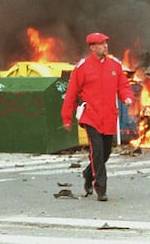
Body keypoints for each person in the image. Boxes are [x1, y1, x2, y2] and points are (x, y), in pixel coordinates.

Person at [61, 32, 135, 201]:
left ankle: (88, 173)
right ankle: (100, 188)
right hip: (91, 116)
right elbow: (71, 93)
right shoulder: (82, 68)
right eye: (101, 44)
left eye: (106, 43)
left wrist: (127, 97)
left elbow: (123, 86)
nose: (105, 46)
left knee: (106, 151)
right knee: (97, 150)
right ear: (92, 47)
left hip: (109, 116)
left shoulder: (115, 66)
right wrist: (66, 118)